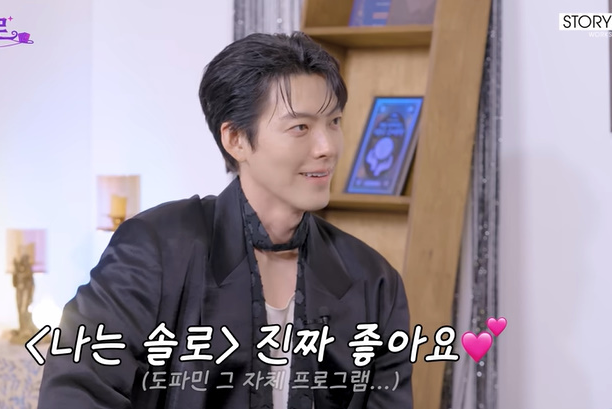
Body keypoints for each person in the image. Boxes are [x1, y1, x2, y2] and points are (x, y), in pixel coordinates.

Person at [37, 31, 412, 409]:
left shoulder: (373, 280)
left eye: (334, 122)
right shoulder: (154, 250)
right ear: (236, 139)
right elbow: (75, 389)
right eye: (301, 127)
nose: (327, 147)